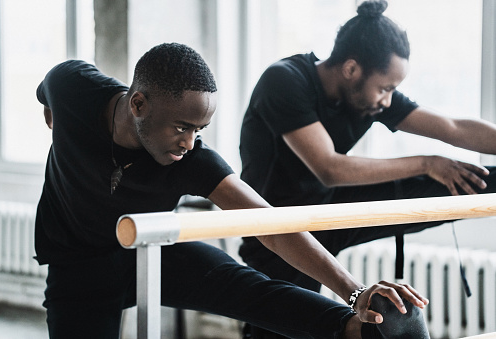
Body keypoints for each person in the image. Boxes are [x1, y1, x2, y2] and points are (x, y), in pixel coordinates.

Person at [35, 42, 430, 339]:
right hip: (78, 267)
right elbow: (47, 93)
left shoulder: (192, 160)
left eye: (199, 130)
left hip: (148, 252)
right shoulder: (73, 88)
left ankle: (354, 330)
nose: (188, 142)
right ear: (138, 104)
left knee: (243, 284)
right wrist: (56, 118)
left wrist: (354, 291)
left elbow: (271, 226)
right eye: (181, 127)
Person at [239, 0, 496, 337]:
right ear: (351, 69)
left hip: (331, 210)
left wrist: (435, 167)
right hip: (278, 231)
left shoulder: (367, 96)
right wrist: (427, 162)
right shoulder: (285, 80)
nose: (388, 100)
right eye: (385, 88)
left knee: (477, 180)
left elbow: (452, 127)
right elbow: (328, 167)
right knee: (282, 327)